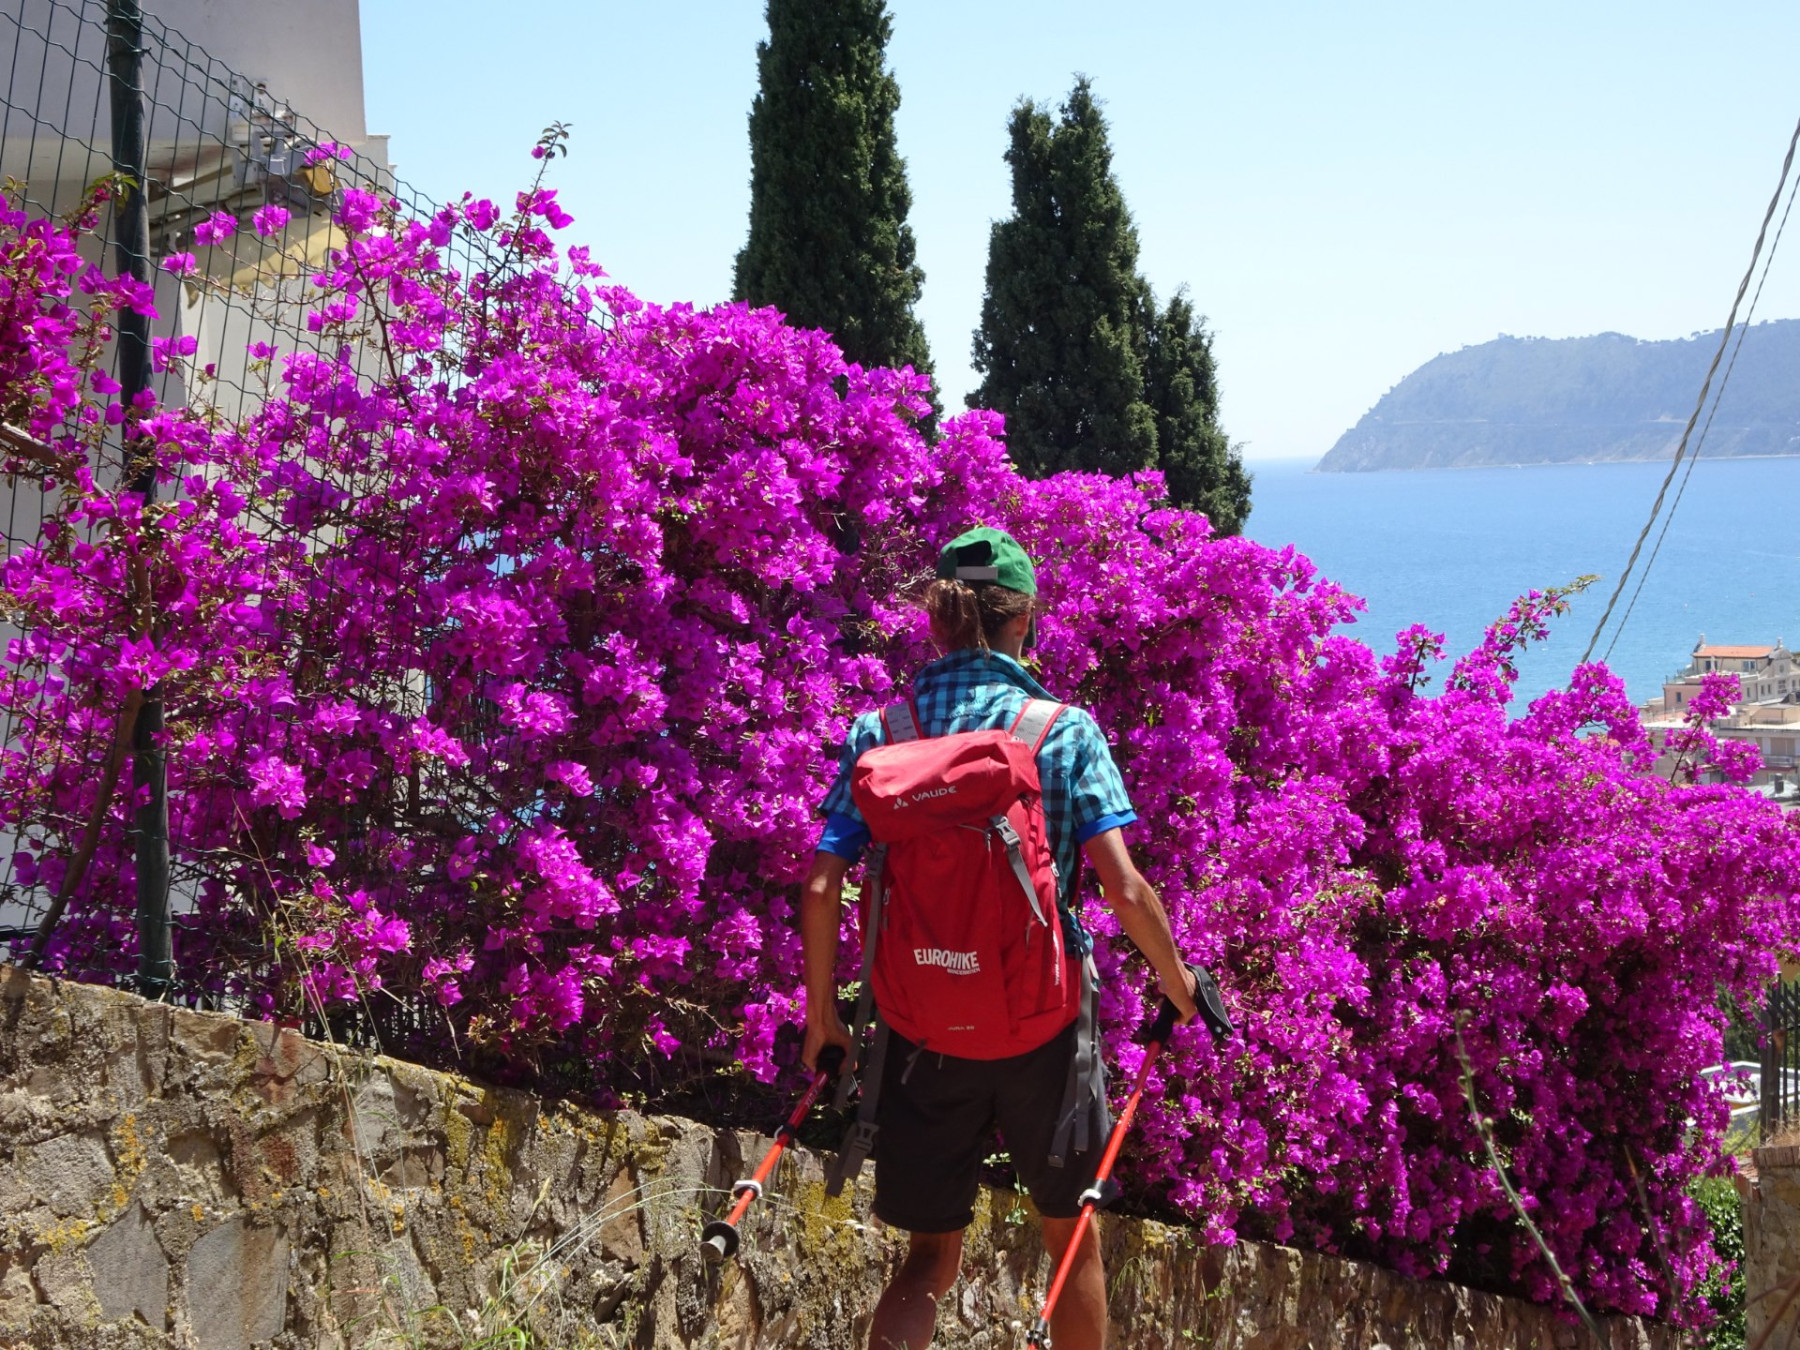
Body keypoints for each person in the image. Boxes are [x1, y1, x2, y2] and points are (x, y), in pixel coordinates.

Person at [800, 525, 1199, 1350]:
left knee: (925, 1261)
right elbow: (1123, 887)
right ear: (1025, 621)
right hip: (1042, 1028)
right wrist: (1177, 983)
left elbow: (820, 880)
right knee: (1069, 1239)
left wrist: (823, 1021)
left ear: (937, 621)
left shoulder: (881, 731)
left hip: (921, 1028)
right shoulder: (1062, 728)